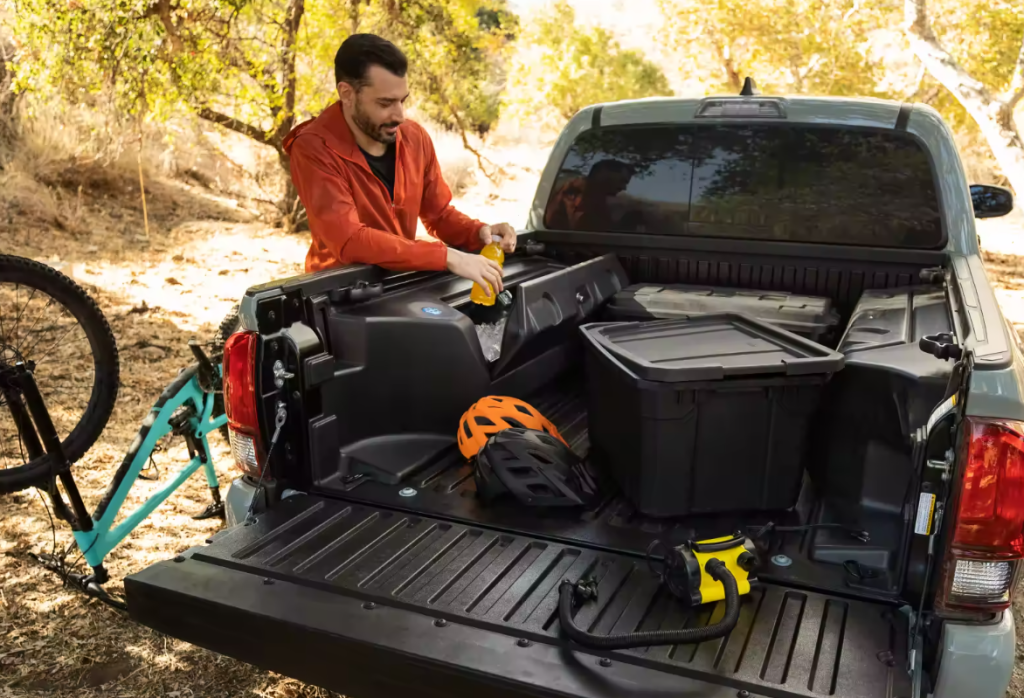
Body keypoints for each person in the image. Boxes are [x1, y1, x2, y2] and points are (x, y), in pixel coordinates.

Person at [283, 34, 515, 297]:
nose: (400, 115)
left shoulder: (416, 138)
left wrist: (479, 232)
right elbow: (349, 240)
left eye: (402, 101)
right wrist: (446, 257)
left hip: (399, 285)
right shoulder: (313, 147)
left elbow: (438, 214)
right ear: (347, 94)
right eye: (385, 103)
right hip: (339, 296)